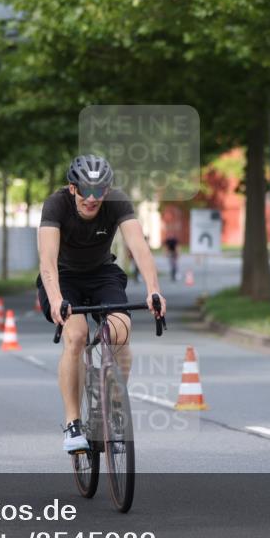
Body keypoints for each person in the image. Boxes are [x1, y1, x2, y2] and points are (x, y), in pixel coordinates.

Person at [37, 155, 166, 453]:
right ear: (72, 188)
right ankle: (73, 423)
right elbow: (47, 260)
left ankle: (114, 410)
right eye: (85, 191)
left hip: (102, 274)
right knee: (77, 335)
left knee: (121, 330)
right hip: (63, 276)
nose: (92, 199)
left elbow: (139, 247)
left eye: (100, 192)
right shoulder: (55, 204)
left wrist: (153, 290)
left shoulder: (117, 202)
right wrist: (56, 300)